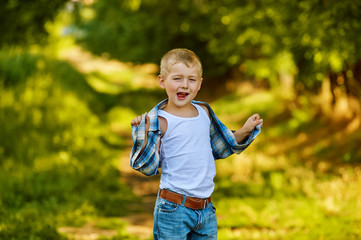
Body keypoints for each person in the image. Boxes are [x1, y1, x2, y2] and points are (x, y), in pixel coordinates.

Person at [130, 48, 262, 240]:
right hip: (172, 209)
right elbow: (145, 165)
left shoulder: (204, 112)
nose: (184, 85)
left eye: (191, 79)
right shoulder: (159, 121)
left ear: (199, 84)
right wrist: (142, 133)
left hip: (205, 209)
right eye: (177, 79)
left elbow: (221, 144)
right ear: (162, 81)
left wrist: (244, 131)